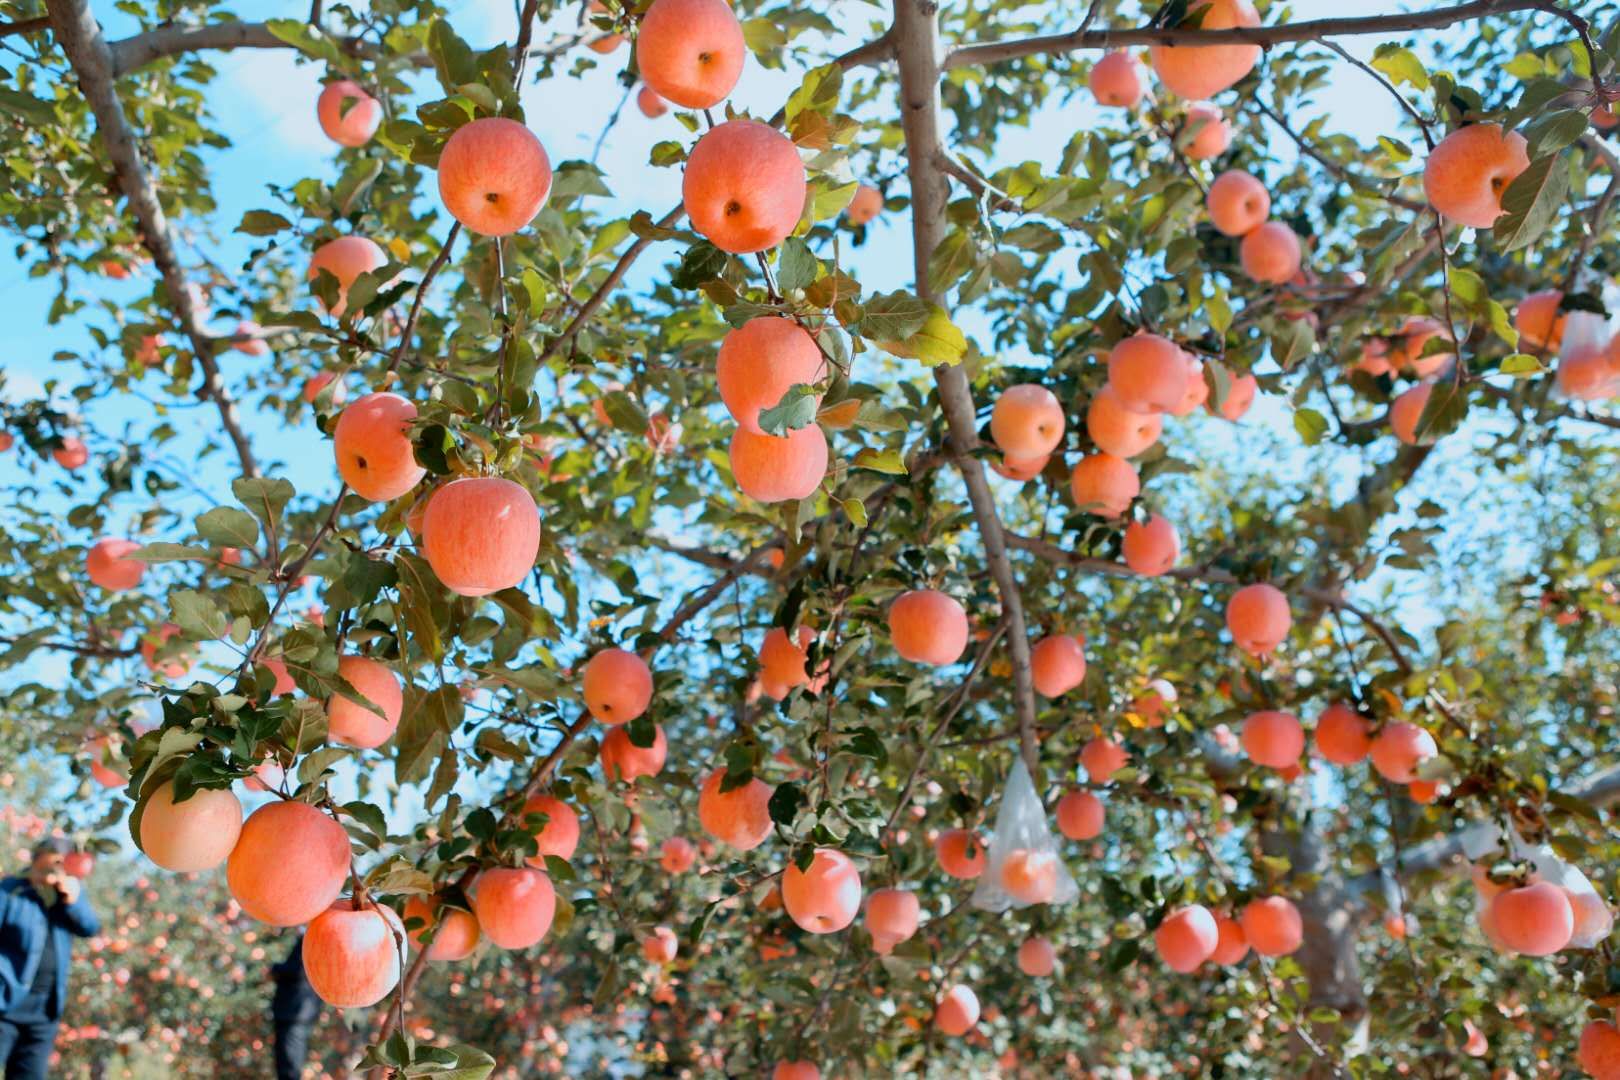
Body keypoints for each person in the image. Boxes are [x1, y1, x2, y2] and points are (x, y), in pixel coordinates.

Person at [0, 837, 100, 1079]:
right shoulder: (10, 890)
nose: (58, 865)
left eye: (62, 862)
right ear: (37, 857)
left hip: (44, 1013)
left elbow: (90, 927)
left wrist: (73, 902)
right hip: (5, 1004)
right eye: (54, 858)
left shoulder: (67, 895)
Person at [271, 933, 321, 1080]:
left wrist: (275, 969)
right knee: (287, 1060)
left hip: (295, 1011)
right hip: (296, 1011)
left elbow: (298, 969)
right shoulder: (311, 939)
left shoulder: (311, 939)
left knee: (290, 1062)